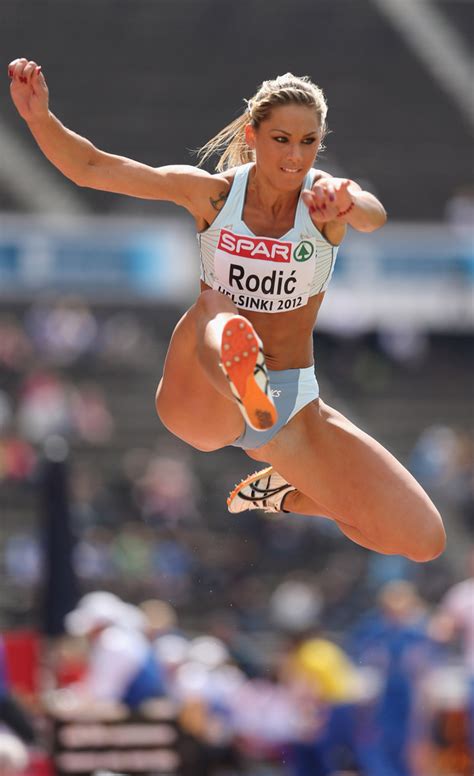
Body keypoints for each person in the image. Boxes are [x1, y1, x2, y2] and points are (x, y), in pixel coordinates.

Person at [8, 58, 446, 561]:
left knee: (423, 539)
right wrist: (40, 117)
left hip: (289, 402)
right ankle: (242, 372)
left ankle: (296, 494)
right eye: (281, 139)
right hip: (202, 389)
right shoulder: (214, 196)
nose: (295, 155)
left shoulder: (324, 202)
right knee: (216, 302)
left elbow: (374, 214)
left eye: (308, 142)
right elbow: (92, 168)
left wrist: (347, 201)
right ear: (253, 134)